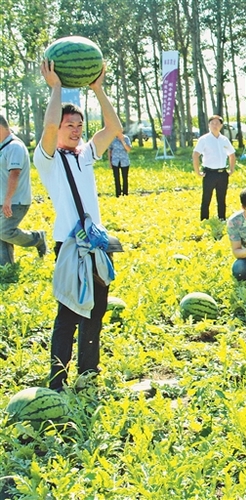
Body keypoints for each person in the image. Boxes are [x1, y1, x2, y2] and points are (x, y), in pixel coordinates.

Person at [34, 60, 123, 391]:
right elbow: (46, 128)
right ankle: (57, 382)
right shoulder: (47, 159)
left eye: (79, 126)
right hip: (70, 246)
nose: (76, 130)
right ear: (58, 127)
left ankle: (88, 374)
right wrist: (56, 87)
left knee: (96, 313)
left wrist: (97, 89)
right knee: (68, 314)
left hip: (98, 243)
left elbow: (113, 128)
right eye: (69, 124)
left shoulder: (84, 155)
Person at [0, 115, 47, 266]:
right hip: (4, 199)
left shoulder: (15, 146)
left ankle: (37, 238)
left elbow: (15, 174)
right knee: (1, 234)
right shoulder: (4, 146)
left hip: (15, 200)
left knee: (4, 231)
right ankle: (6, 265)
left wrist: (8, 199)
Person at [193, 115, 236, 220]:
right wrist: (197, 171)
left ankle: (222, 219)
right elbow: (195, 155)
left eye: (217, 123)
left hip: (222, 173)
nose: (214, 125)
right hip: (209, 173)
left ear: (221, 125)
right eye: (212, 123)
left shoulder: (224, 140)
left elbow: (232, 154)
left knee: (221, 199)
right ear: (209, 125)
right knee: (206, 198)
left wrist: (231, 169)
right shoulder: (204, 139)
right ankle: (204, 220)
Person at [108, 131, 132, 197]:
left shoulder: (126, 138)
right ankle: (118, 193)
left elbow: (128, 149)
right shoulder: (112, 139)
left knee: (125, 177)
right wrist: (109, 162)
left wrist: (122, 141)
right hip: (115, 161)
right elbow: (109, 151)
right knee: (116, 178)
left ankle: (125, 193)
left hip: (124, 161)